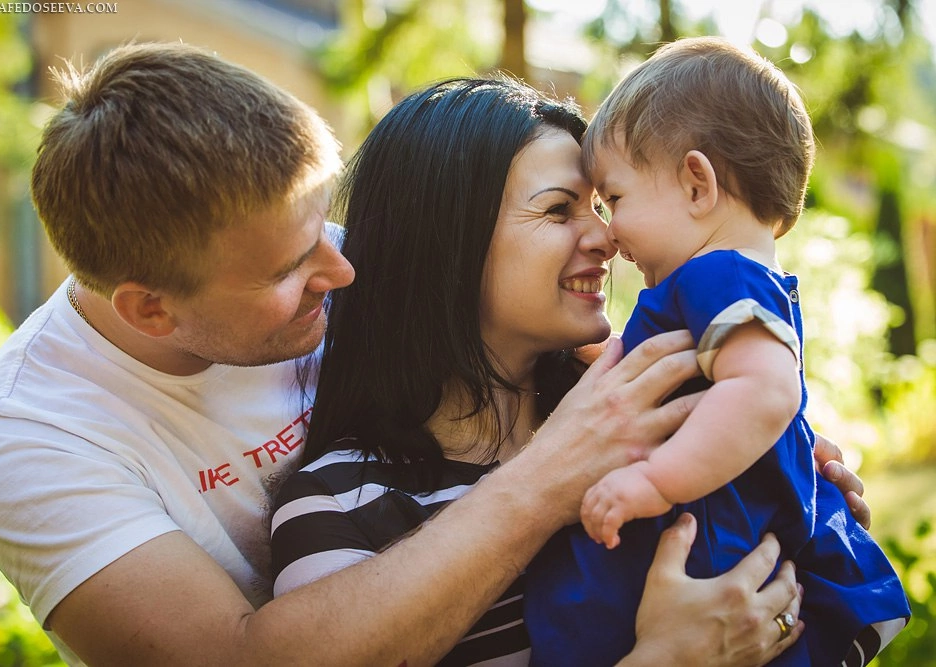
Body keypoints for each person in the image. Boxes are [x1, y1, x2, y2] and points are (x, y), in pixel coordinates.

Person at [0, 42, 867, 666]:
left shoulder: (577, 379)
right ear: (152, 309)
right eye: (294, 262)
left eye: (329, 224)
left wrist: (784, 468)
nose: (349, 267)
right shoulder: (30, 437)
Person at [267, 76, 874, 666]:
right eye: (561, 210)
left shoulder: (655, 417)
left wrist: (804, 516)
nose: (607, 239)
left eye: (604, 205)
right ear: (448, 237)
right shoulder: (339, 503)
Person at [523, 37, 910, 667]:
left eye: (614, 199)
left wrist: (652, 479)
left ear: (697, 184)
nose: (610, 234)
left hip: (708, 548)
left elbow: (768, 392)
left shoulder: (716, 276)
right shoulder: (731, 284)